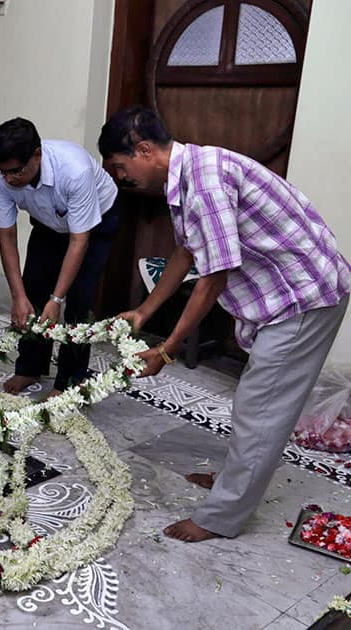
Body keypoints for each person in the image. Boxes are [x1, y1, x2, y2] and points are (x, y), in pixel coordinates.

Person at [98, 105, 350, 542]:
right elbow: (187, 253)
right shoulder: (189, 175)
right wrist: (144, 312)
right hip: (292, 291)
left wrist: (167, 347)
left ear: (143, 150)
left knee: (260, 405)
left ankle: (222, 517)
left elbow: (214, 275)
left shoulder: (205, 180)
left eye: (121, 167)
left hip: (306, 295)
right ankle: (237, 478)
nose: (122, 178)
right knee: (257, 401)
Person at [0, 117, 120, 398]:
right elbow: (7, 236)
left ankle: (69, 382)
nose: (9, 179)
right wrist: (17, 295)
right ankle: (30, 367)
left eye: (15, 171)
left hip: (95, 223)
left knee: (79, 301)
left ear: (37, 155)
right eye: (3, 172)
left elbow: (78, 239)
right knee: (33, 288)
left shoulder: (74, 170)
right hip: (49, 223)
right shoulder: (1, 176)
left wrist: (57, 299)